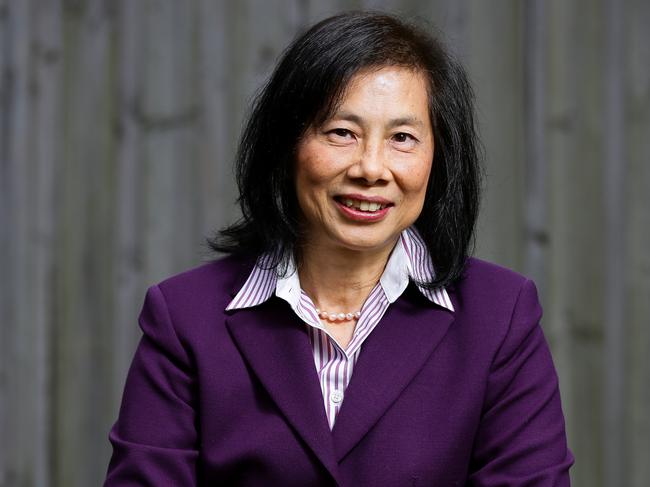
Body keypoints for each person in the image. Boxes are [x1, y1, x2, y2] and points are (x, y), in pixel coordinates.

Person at [105, 11, 573, 486]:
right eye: (341, 133)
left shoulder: (501, 317)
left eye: (403, 139)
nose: (371, 168)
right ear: (287, 145)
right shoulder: (185, 319)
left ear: (438, 158)